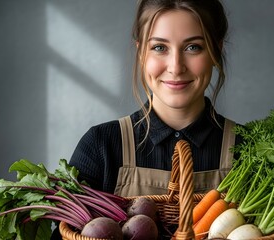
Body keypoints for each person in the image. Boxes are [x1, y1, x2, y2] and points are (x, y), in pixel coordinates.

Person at [52, 0, 241, 238]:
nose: (175, 67)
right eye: (160, 48)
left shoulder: (251, 150)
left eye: (193, 47)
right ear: (141, 52)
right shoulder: (102, 145)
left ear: (216, 50)